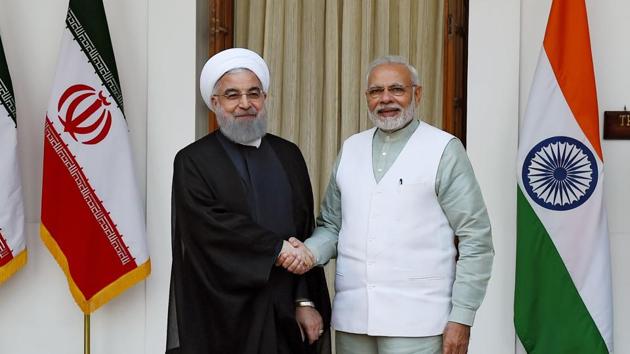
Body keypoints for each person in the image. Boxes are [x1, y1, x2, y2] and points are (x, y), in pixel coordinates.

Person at [279, 55, 494, 354]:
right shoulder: (351, 147)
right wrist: (308, 253)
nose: (386, 99)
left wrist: (462, 316)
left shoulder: (444, 149)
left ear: (416, 94)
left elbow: (476, 238)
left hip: (419, 323)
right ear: (367, 97)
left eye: (397, 89)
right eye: (376, 91)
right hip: (354, 320)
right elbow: (331, 225)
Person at [166, 48, 331, 354]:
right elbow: (211, 229)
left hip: (284, 310)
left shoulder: (288, 155)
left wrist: (304, 300)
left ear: (264, 99)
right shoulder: (193, 161)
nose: (245, 104)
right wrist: (276, 249)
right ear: (215, 103)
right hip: (223, 315)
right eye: (232, 95)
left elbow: (303, 230)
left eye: (253, 93)